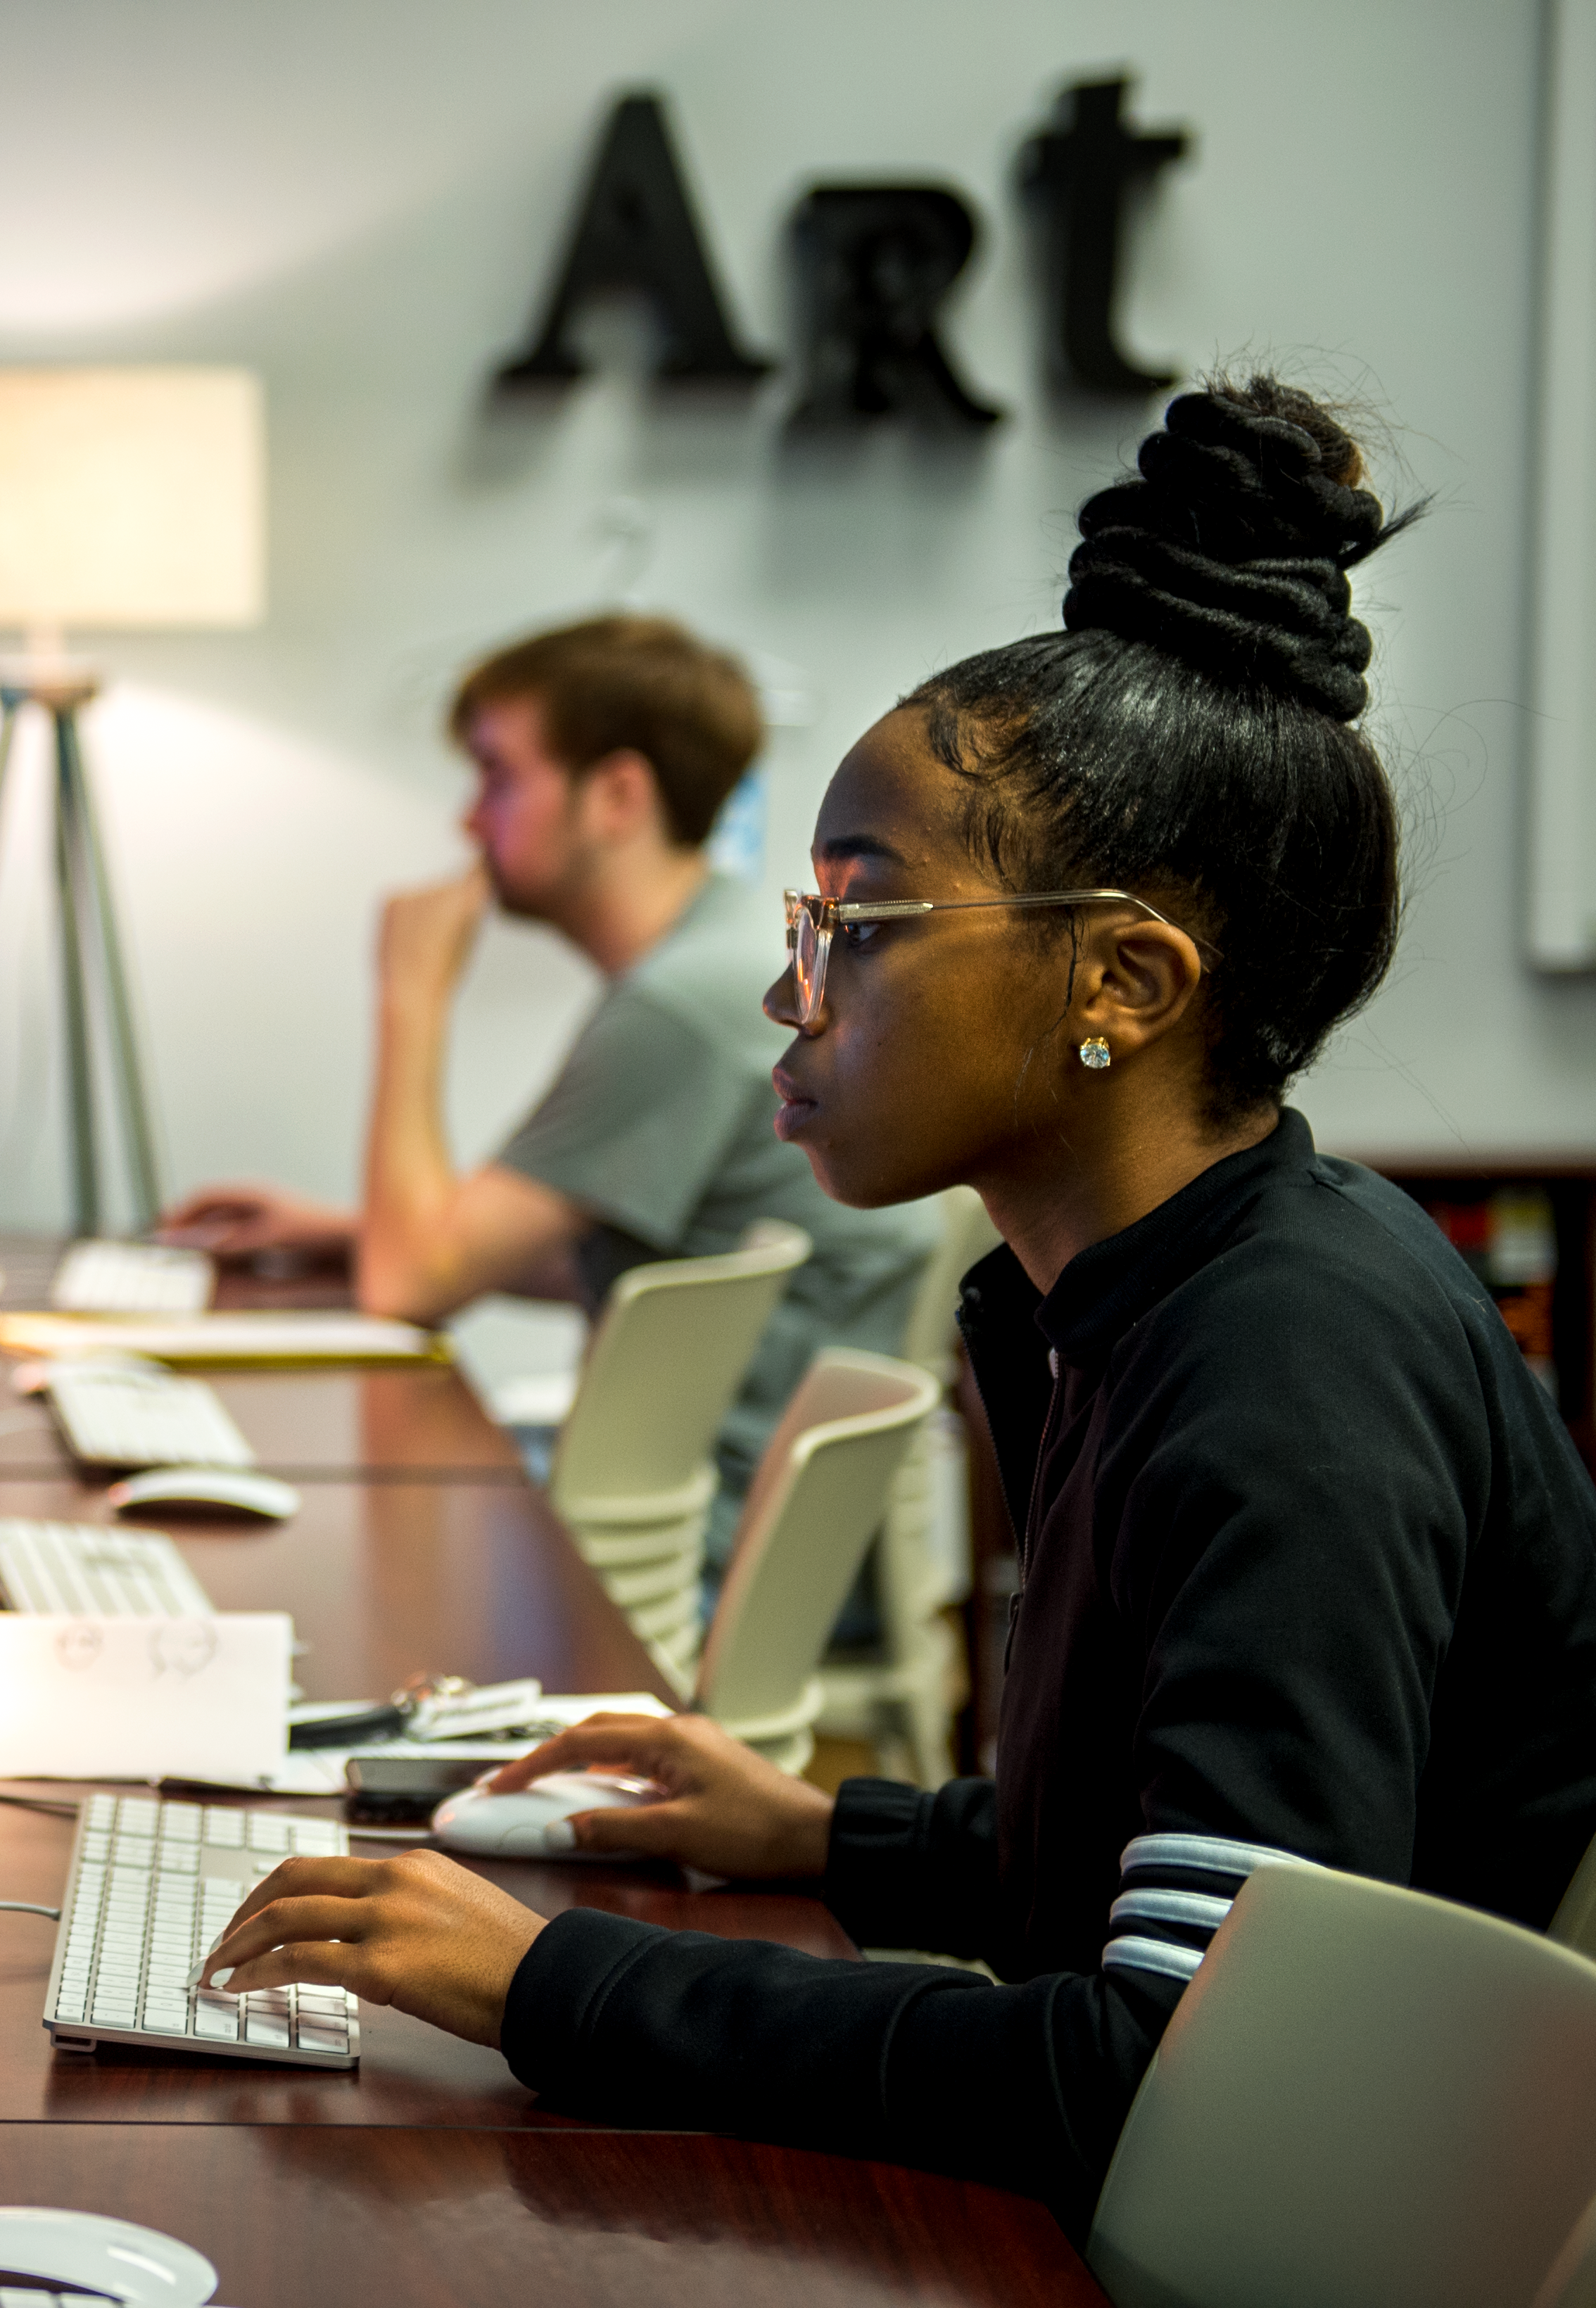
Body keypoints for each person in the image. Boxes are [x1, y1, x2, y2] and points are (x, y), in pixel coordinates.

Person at [192, 379, 1596, 2229]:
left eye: (858, 924)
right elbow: (1164, 1864)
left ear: (1123, 978)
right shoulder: (1134, 1296)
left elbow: (1166, 2074)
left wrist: (555, 1984)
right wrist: (817, 1832)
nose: (793, 1000)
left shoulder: (1285, 1377)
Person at [163, 616, 937, 1532]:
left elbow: (411, 1286)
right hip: (763, 1527)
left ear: (615, 795)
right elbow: (640, 1260)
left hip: (702, 1545)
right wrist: (350, 1230)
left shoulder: (679, 1005)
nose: (467, 817)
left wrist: (412, 997)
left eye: (496, 774)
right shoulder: (721, 954)